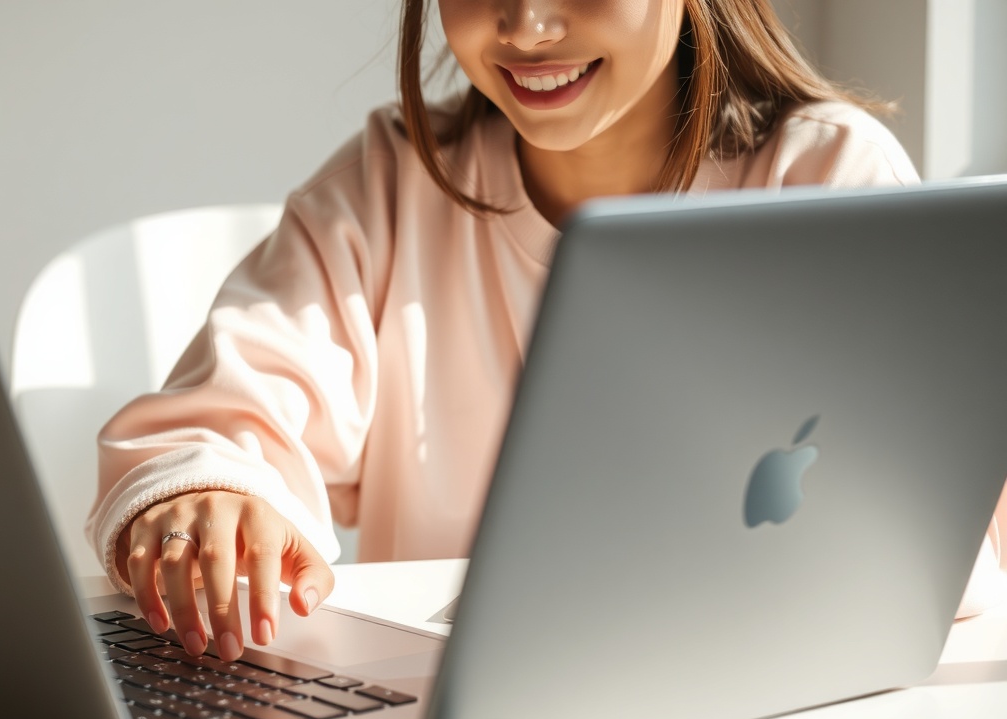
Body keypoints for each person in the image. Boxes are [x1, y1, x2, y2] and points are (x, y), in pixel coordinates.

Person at [88, 0, 1005, 663]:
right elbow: (225, 415)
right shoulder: (393, 181)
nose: (525, 25)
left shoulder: (825, 176)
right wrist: (204, 497)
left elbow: (932, 541)